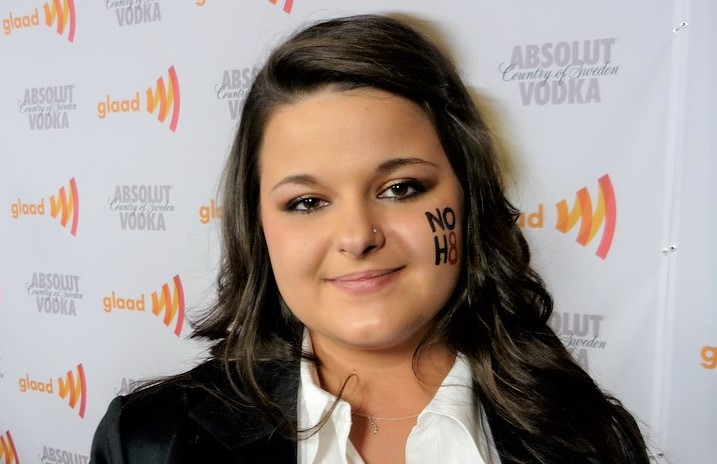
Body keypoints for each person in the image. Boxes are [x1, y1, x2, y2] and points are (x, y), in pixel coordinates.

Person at [90, 14, 650, 464]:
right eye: (307, 202)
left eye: (401, 188)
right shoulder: (147, 442)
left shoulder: (586, 436)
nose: (358, 236)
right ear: (258, 229)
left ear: (468, 201)